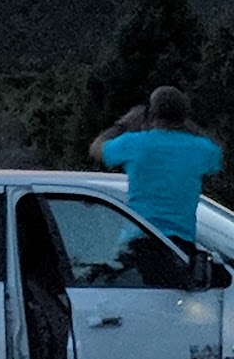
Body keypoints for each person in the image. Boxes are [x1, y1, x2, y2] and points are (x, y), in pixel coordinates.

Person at [89, 85, 222, 243]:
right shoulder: (200, 149)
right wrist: (187, 124)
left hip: (137, 240)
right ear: (183, 116)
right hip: (179, 245)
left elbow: (96, 148)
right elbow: (217, 151)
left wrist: (123, 125)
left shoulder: (135, 144)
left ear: (151, 114)